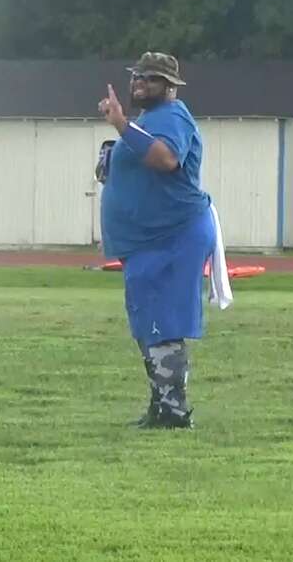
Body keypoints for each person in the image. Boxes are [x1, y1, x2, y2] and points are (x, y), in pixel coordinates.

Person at [96, 52, 220, 429]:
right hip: (148, 240)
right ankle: (162, 405)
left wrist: (120, 124)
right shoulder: (148, 120)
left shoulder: (173, 116)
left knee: (163, 320)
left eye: (150, 79)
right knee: (149, 320)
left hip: (172, 235)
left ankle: (174, 411)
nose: (139, 84)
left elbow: (166, 159)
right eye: (137, 77)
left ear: (169, 87)